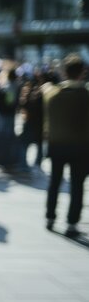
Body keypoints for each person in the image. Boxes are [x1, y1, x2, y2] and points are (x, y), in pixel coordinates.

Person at [44, 54, 89, 238]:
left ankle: (50, 217)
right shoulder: (86, 96)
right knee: (77, 185)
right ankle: (71, 222)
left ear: (64, 72)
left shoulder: (52, 94)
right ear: (82, 73)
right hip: (81, 146)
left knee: (55, 181)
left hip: (57, 144)